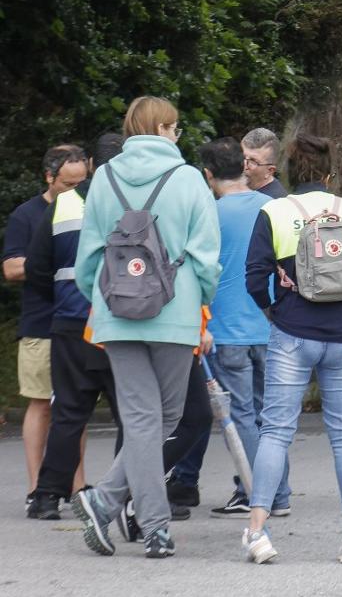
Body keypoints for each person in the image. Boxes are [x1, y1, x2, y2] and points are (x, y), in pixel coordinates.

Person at [69, 96, 222, 559]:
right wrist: (202, 300)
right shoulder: (188, 179)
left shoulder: (104, 179)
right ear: (165, 129)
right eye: (175, 129)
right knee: (168, 417)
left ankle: (111, 502)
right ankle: (145, 522)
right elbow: (206, 257)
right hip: (174, 313)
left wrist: (104, 298)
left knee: (140, 419)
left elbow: (87, 260)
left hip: (116, 313)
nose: (177, 136)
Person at [241, 133, 342, 565]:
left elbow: (254, 276)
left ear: (290, 173)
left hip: (293, 332)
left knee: (276, 431)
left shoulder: (274, 211)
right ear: (330, 174)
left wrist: (274, 309)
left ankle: (256, 531)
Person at [179, 138, 292, 518]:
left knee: (242, 414)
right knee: (271, 415)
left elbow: (198, 270)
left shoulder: (209, 213)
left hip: (227, 329)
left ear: (207, 174)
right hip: (270, 323)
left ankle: (258, 493)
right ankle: (281, 492)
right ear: (244, 167)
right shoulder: (272, 207)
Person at [25, 136, 123, 519]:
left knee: (68, 413)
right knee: (132, 416)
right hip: (122, 325)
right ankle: (124, 494)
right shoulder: (137, 201)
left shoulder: (64, 203)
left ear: (94, 163)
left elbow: (35, 268)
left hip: (71, 322)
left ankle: (48, 497)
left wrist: (63, 301)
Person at [5, 144, 88, 510]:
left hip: (78, 323)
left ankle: (78, 486)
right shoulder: (27, 215)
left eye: (80, 182)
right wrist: (50, 260)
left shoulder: (90, 207)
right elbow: (10, 268)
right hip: (40, 323)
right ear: (49, 177)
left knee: (76, 406)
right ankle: (37, 487)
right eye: (66, 184)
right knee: (41, 404)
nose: (73, 191)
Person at [241, 128, 286, 199]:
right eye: (242, 156)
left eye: (253, 161)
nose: (244, 165)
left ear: (270, 171)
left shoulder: (271, 204)